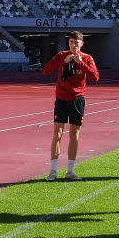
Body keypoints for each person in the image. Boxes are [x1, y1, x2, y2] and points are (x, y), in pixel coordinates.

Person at [42, 31, 100, 181]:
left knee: (74, 134)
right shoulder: (62, 55)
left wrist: (81, 63)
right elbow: (46, 69)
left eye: (77, 43)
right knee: (57, 134)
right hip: (61, 98)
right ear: (69, 43)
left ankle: (70, 170)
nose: (74, 45)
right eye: (71, 42)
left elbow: (95, 77)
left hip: (77, 99)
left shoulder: (87, 58)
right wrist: (63, 62)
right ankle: (53, 171)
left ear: (82, 44)